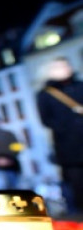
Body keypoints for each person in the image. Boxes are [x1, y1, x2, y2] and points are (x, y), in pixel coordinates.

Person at [36, 56, 83, 214]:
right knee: (77, 184)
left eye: (65, 66)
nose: (64, 69)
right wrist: (68, 126)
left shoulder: (80, 86)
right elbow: (46, 120)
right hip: (69, 147)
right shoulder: (45, 94)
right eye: (59, 67)